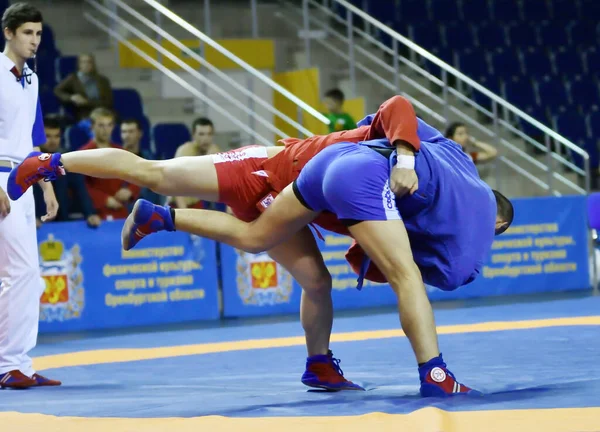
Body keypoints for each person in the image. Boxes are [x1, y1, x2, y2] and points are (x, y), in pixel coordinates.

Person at [8, 96, 483, 395]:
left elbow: (370, 258)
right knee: (153, 172)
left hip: (295, 200)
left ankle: (319, 365)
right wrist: (403, 152)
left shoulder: (379, 186)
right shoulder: (378, 145)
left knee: (315, 280)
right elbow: (400, 106)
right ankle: (50, 161)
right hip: (259, 168)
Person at [0, 2, 61, 389]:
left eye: (38, 34)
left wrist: (48, 185)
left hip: (24, 181)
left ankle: (17, 361)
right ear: (9, 32)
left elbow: (36, 139)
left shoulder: (31, 79)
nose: (35, 40)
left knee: (26, 276)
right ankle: (10, 363)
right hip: (1, 178)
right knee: (20, 272)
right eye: (27, 33)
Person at [33, 115, 101, 228]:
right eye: (47, 136)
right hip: (35, 222)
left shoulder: (67, 160)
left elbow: (80, 190)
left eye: (57, 136)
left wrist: (90, 213)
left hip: (62, 221)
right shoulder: (27, 162)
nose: (53, 141)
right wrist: (29, 219)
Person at [79, 108, 141, 220]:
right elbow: (82, 186)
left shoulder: (120, 151)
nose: (105, 130)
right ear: (92, 127)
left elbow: (136, 174)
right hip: (95, 213)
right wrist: (103, 199)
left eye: (109, 125)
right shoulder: (83, 153)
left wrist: (130, 190)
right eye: (101, 125)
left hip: (120, 209)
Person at [54, 53, 113, 123]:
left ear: (93, 64)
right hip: (84, 114)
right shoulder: (73, 78)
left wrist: (87, 102)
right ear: (79, 64)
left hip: (103, 113)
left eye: (89, 62)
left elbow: (108, 102)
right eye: (83, 62)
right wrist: (71, 97)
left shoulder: (103, 80)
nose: (86, 64)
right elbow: (57, 90)